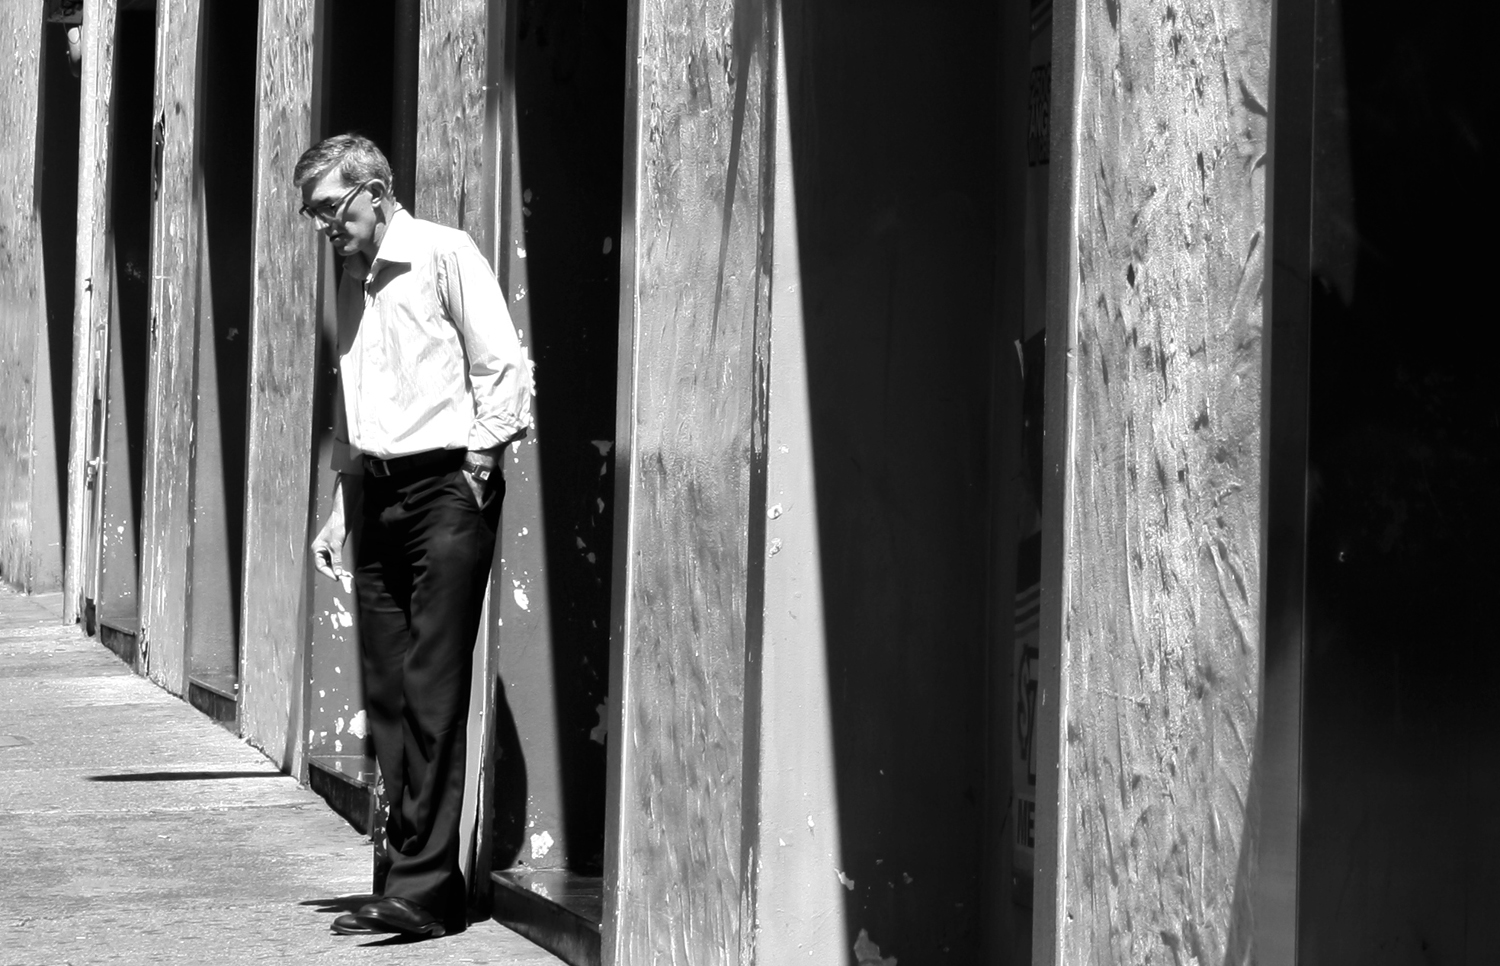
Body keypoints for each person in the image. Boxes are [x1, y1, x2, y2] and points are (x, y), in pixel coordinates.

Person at [293, 133, 532, 938]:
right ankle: (405, 875)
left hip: (446, 492)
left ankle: (425, 893)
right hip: (378, 495)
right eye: (313, 214)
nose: (324, 225)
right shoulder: (351, 279)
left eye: (331, 207)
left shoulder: (441, 253)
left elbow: (503, 365)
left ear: (375, 191)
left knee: (431, 688)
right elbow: (355, 404)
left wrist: (479, 463)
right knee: (390, 697)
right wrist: (342, 506)